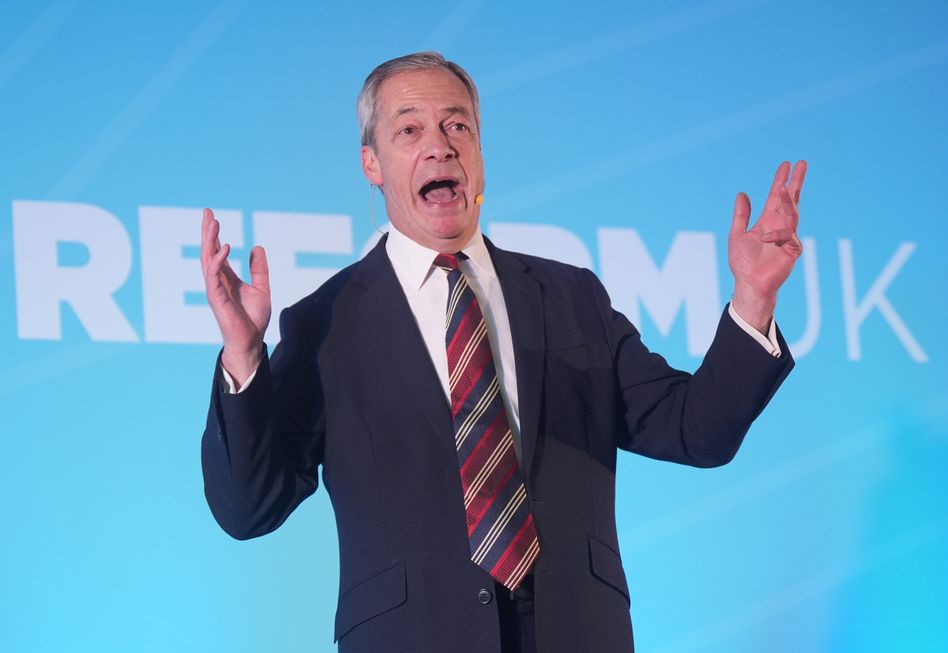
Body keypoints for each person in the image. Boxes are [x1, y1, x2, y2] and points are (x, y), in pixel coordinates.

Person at [200, 52, 806, 653]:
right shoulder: (326, 325)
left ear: (481, 156)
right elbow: (249, 507)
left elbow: (695, 431)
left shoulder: (571, 297)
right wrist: (243, 353)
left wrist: (753, 301)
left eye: (457, 125)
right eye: (409, 129)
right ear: (372, 164)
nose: (440, 146)